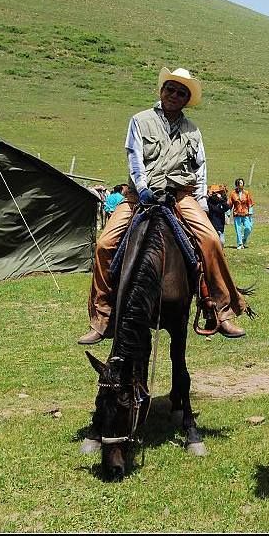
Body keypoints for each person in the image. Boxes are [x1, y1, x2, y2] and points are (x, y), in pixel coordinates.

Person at [78, 67, 248, 345]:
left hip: (180, 196)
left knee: (210, 240)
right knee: (104, 245)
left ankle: (220, 310)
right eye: (170, 89)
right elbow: (135, 158)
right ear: (161, 90)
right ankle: (103, 315)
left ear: (186, 99)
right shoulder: (139, 121)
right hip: (139, 197)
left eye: (181, 92)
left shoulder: (193, 131)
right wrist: (143, 189)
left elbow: (200, 169)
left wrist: (202, 205)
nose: (174, 95)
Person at [229, 178, 254, 249]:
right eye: (240, 183)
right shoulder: (233, 193)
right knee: (238, 230)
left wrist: (250, 212)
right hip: (237, 214)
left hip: (246, 214)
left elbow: (250, 203)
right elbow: (230, 204)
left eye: (242, 183)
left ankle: (244, 239)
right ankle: (240, 244)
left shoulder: (246, 193)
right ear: (237, 184)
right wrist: (227, 214)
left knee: (248, 228)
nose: (241, 184)